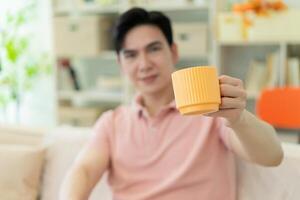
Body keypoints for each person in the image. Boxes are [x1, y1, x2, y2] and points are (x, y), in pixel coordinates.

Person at [60, 7, 283, 200]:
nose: (144, 64)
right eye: (131, 55)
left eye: (154, 49)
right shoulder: (112, 122)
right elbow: (84, 170)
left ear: (173, 51)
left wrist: (238, 117)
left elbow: (272, 156)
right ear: (120, 63)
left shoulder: (211, 112)